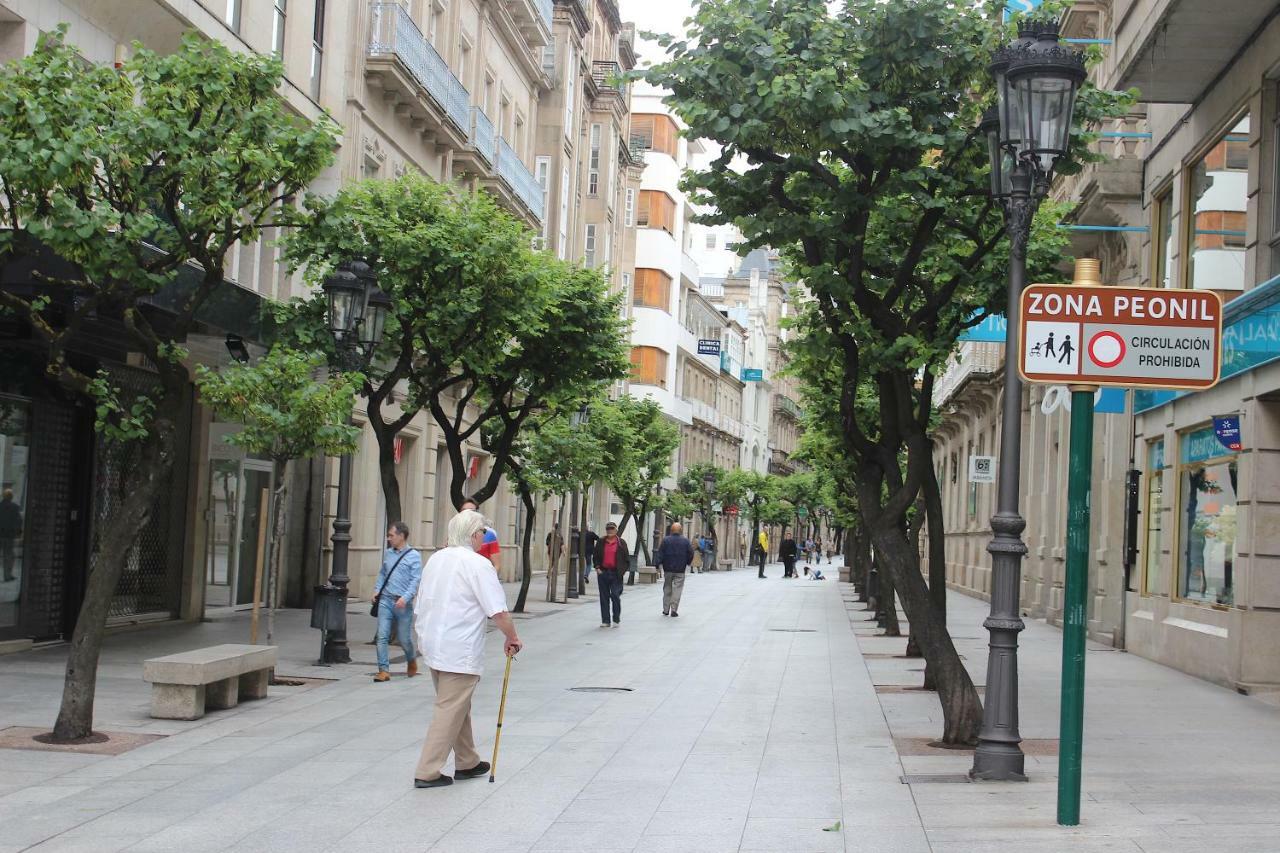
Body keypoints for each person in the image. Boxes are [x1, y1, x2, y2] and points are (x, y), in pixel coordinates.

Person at [412, 510, 523, 789]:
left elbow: (421, 600)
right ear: (474, 534)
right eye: (483, 533)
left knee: (457, 704)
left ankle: (467, 761)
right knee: (449, 707)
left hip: (434, 644)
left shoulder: (436, 559)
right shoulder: (478, 565)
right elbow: (498, 611)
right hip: (458, 649)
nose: (484, 538)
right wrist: (512, 637)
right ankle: (428, 770)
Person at [373, 522, 423, 683]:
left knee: (404, 638)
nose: (388, 538)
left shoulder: (414, 555)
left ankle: (411, 659)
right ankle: (383, 670)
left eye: (391, 535)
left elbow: (416, 580)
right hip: (386, 600)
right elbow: (382, 574)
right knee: (382, 636)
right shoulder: (388, 554)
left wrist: (405, 598)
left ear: (401, 536)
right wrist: (377, 590)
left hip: (402, 604)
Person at [593, 522, 628, 627]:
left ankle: (616, 619)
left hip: (615, 573)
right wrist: (597, 568)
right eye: (608, 529)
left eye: (612, 529)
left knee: (615, 595)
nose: (610, 530)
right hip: (603, 572)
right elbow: (595, 556)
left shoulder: (621, 543)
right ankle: (606, 620)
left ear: (616, 530)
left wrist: (622, 571)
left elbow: (626, 559)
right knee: (604, 597)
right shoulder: (600, 542)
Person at [656, 521, 694, 617]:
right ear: (681, 530)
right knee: (677, 589)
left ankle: (665, 609)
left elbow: (660, 553)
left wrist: (658, 564)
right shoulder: (685, 541)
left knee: (667, 588)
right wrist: (687, 562)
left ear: (671, 530)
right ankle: (674, 609)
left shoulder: (666, 540)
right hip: (680, 569)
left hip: (668, 568)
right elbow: (691, 553)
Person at [460, 497, 500, 572]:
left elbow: (496, 565)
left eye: (472, 511)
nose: (468, 514)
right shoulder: (455, 533)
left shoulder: (489, 535)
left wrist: (488, 579)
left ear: (477, 513)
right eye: (464, 511)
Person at [0, 489, 22, 583]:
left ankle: (8, 575)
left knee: (8, 555)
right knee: (9, 556)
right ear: (11, 497)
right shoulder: (15, 507)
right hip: (9, 536)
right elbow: (19, 521)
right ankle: (7, 576)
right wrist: (18, 532)